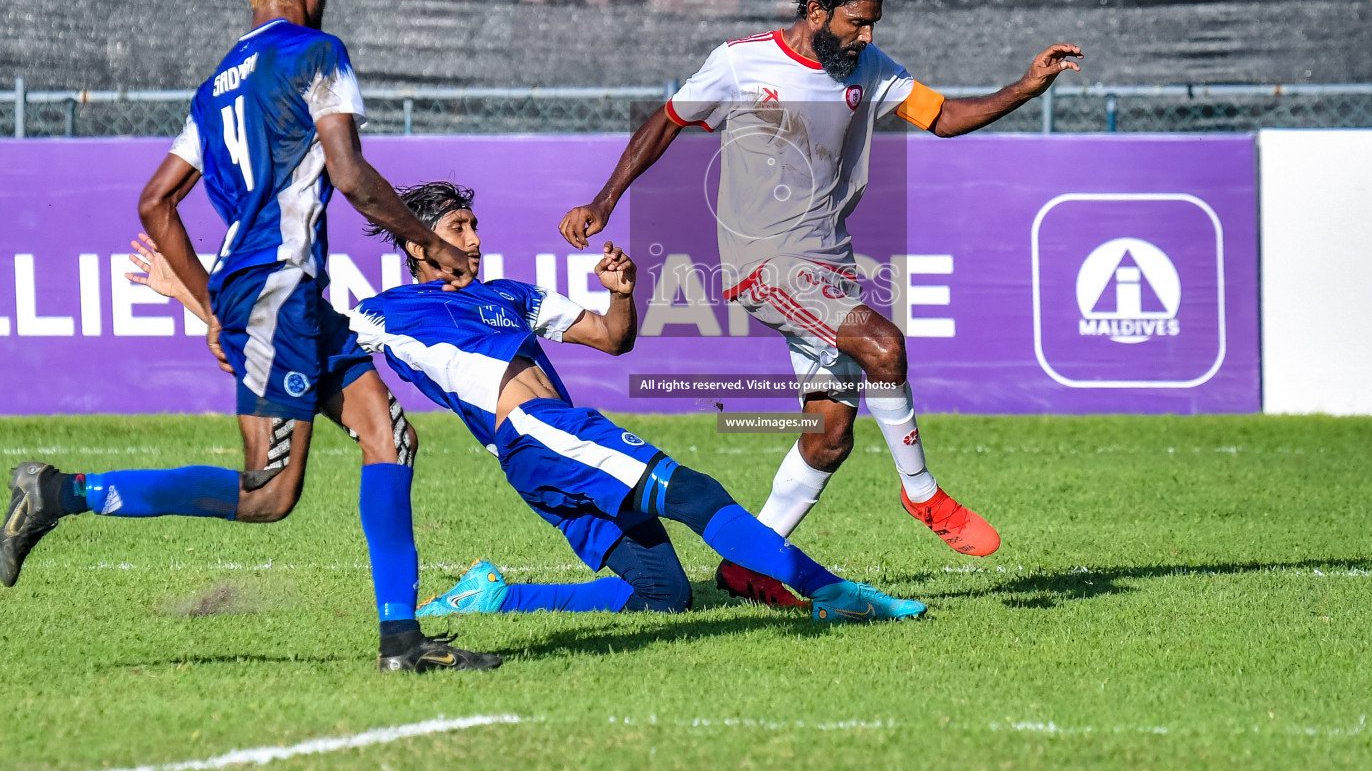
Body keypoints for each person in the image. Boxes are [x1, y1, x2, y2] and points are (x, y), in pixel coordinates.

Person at [0, 0, 498, 673]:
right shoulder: (317, 54)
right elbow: (352, 175)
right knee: (268, 493)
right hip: (276, 292)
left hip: (275, 293)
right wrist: (428, 242)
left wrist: (214, 304)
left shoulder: (216, 86)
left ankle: (403, 643)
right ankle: (63, 493)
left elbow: (154, 204)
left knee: (388, 435)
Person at [132, 181, 921, 623]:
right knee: (697, 492)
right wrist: (188, 292)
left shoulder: (512, 294)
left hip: (550, 452)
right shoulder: (385, 313)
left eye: (476, 225)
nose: (473, 239)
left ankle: (500, 595)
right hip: (542, 437)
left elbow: (612, 340)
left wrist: (625, 295)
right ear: (416, 244)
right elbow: (277, 332)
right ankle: (832, 594)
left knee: (667, 596)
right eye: (457, 228)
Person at [559, 0, 1084, 602]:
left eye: (872, 24)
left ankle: (748, 564)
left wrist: (1025, 87)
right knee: (885, 345)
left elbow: (944, 118)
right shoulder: (740, 62)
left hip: (826, 264)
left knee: (830, 433)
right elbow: (665, 124)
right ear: (816, 9)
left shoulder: (868, 67)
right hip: (765, 264)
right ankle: (922, 494)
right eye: (856, 22)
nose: (865, 34)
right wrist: (605, 200)